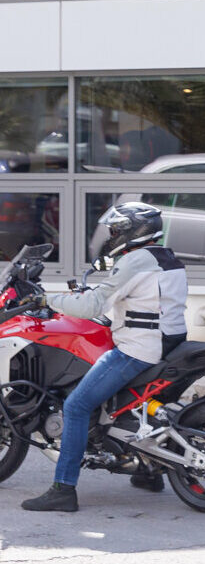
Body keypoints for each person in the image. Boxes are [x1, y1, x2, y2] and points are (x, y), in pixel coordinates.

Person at [22, 202, 187, 512]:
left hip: (139, 349)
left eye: (115, 231)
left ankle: (63, 489)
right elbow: (147, 303)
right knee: (133, 406)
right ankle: (148, 472)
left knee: (76, 406)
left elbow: (92, 306)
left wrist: (46, 299)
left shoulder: (135, 261)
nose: (111, 236)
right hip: (170, 343)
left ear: (131, 231)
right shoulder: (167, 258)